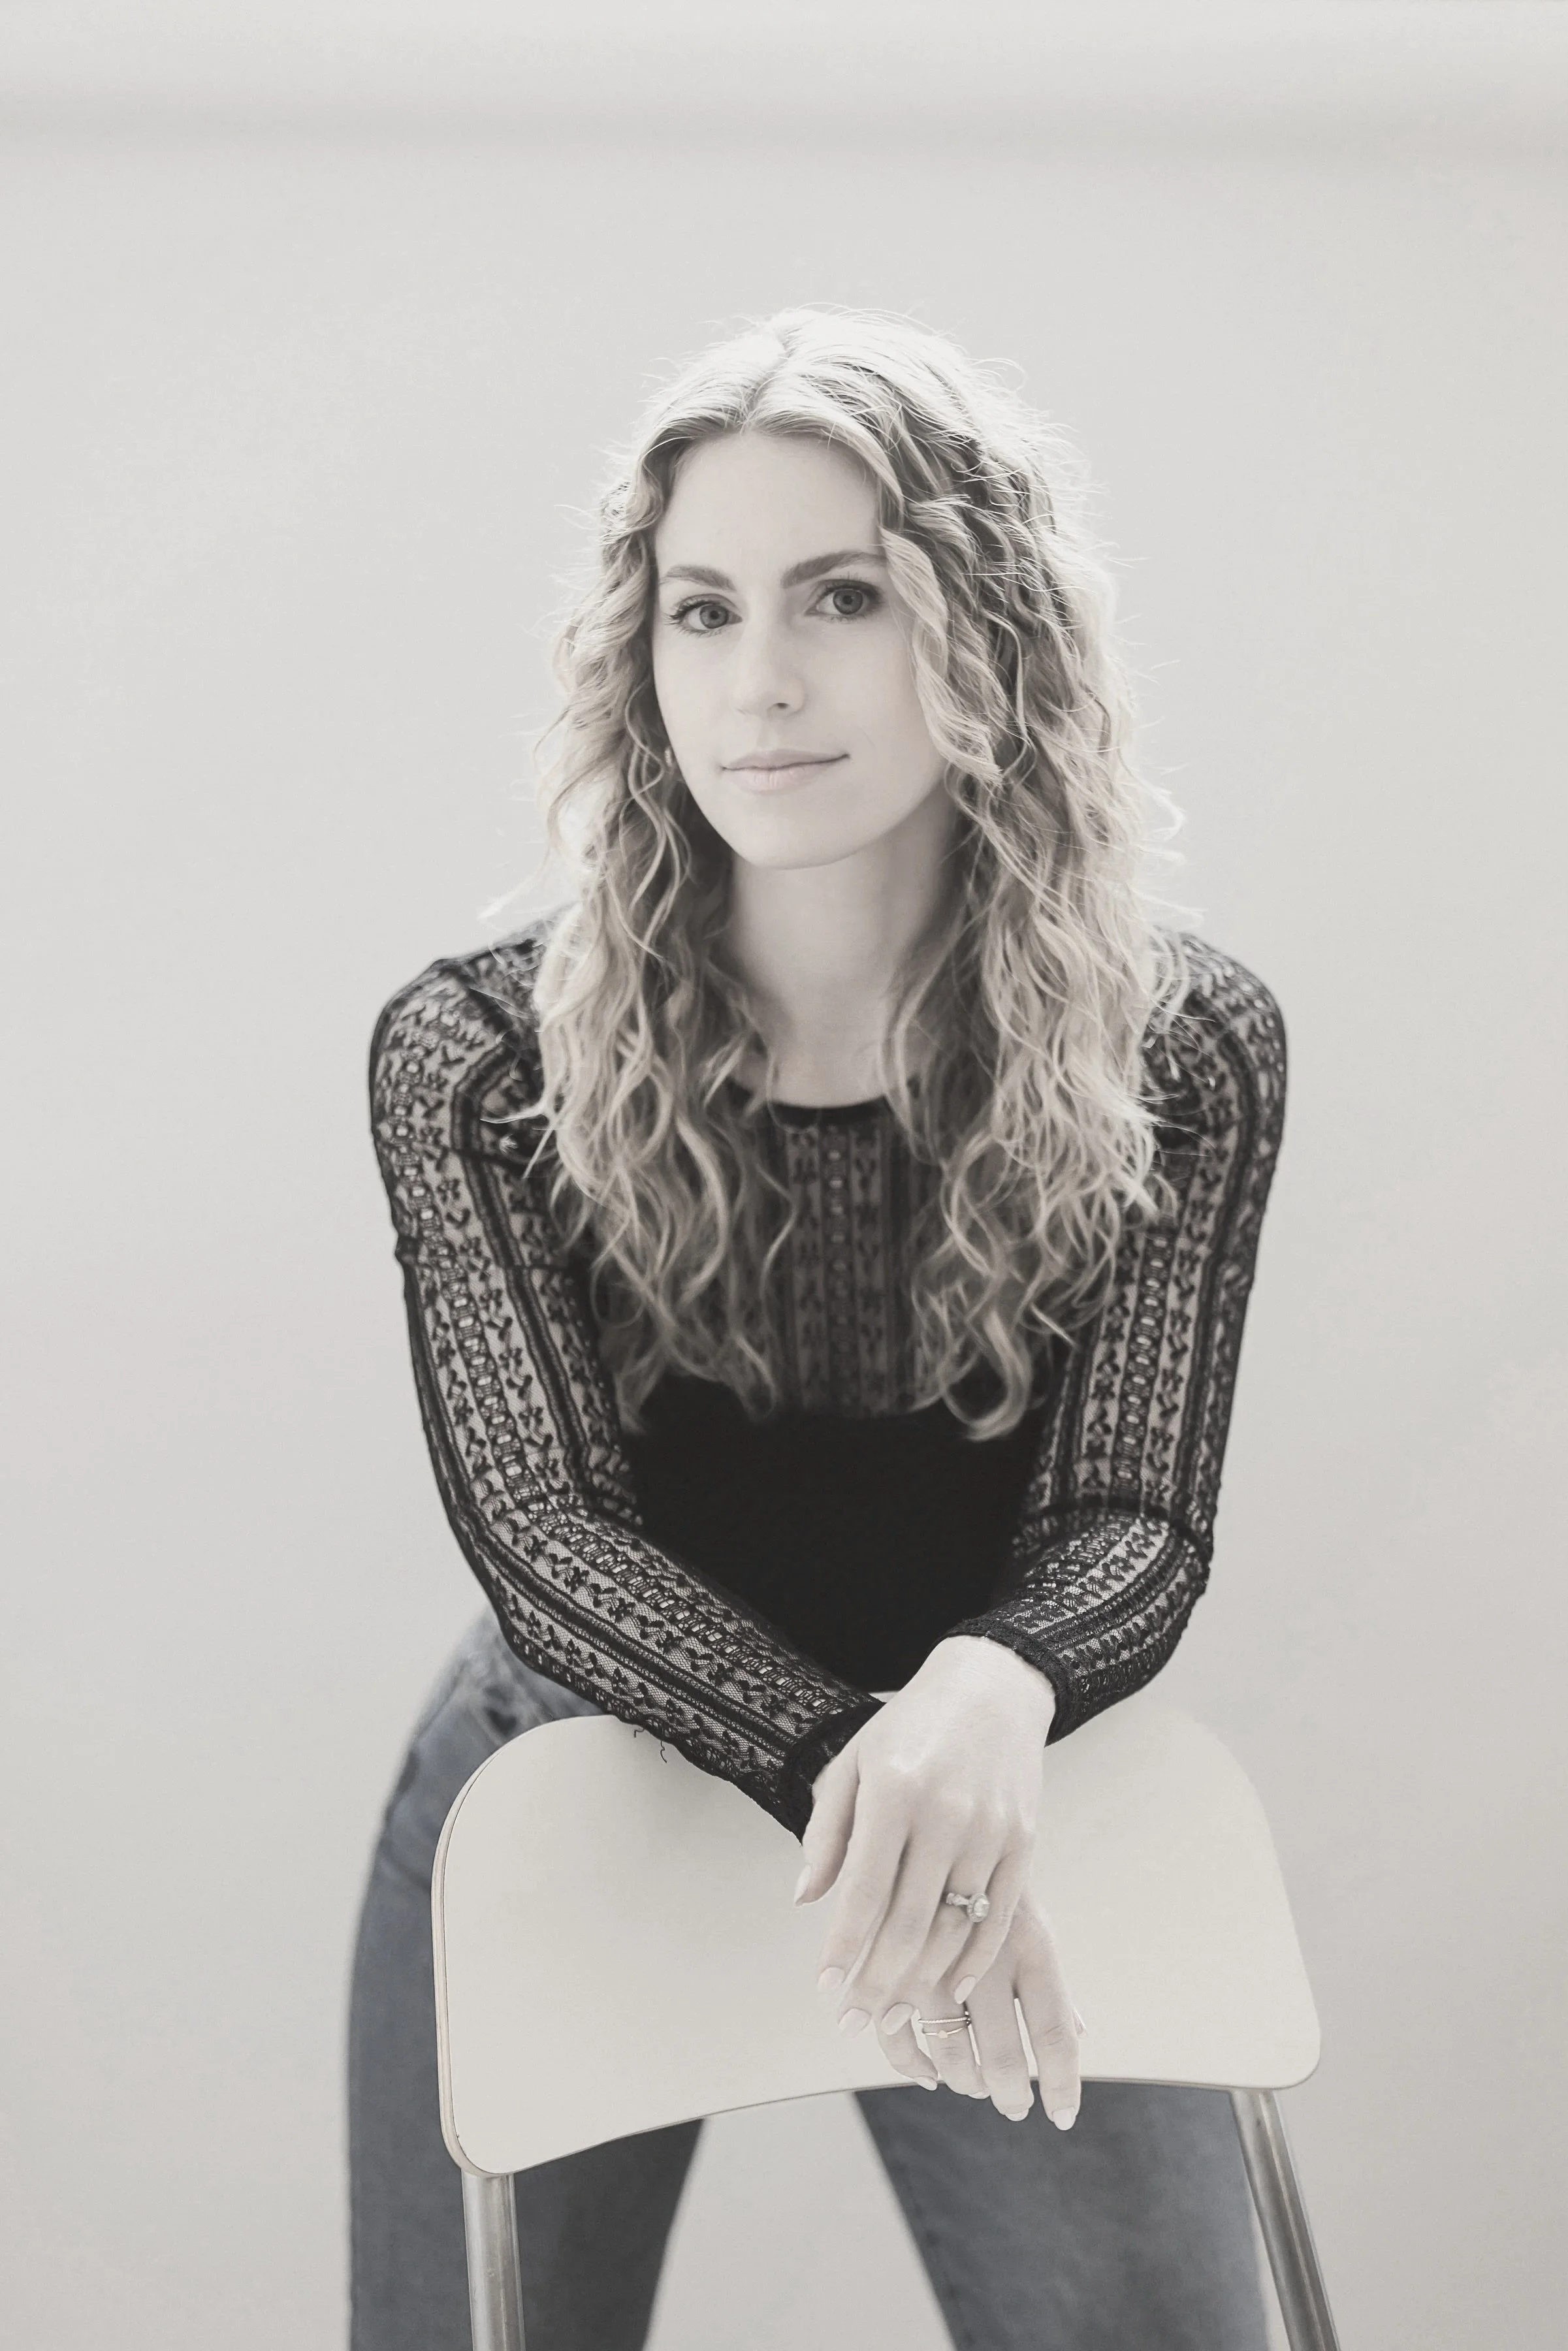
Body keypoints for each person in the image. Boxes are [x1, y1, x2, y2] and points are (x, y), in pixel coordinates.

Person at [348, 305, 1287, 2351]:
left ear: (990, 631)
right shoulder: (479, 1050)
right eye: (702, 608)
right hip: (575, 1755)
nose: (759, 680)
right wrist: (865, 1771)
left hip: (997, 1777)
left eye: (842, 594)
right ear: (642, 656)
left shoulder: (1181, 1042)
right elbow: (545, 1537)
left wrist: (987, 1696)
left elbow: (1136, 1504)